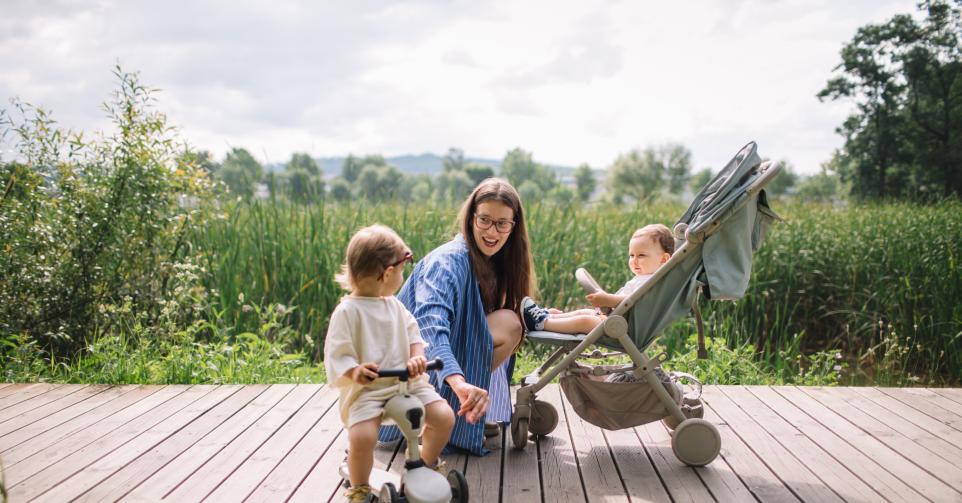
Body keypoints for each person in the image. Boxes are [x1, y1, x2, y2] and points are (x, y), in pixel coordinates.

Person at [380, 178, 534, 455]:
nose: (492, 231)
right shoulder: (447, 263)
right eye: (485, 220)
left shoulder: (494, 261)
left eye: (502, 223)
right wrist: (457, 380)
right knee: (510, 325)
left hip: (434, 364)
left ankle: (459, 409)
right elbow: (429, 327)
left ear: (514, 226)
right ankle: (443, 410)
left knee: (514, 320)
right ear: (471, 218)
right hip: (405, 368)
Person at [324, 224, 455, 502]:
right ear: (387, 273)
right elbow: (338, 353)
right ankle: (359, 486)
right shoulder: (348, 312)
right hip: (369, 391)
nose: (402, 275)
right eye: (401, 270)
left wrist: (417, 356)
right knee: (362, 437)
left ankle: (423, 464)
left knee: (443, 416)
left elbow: (412, 334)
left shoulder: (394, 305)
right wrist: (355, 371)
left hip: (405, 383)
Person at [520, 224, 675, 334]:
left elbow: (635, 301)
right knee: (585, 312)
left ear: (663, 260)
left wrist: (607, 299)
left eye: (641, 255)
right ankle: (547, 316)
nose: (634, 260)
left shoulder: (654, 282)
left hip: (624, 328)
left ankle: (543, 323)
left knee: (585, 321)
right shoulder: (644, 278)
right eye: (631, 255)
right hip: (617, 321)